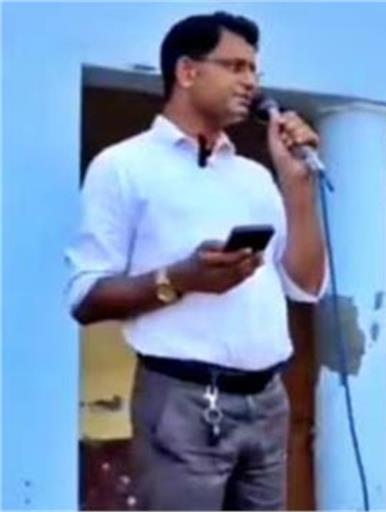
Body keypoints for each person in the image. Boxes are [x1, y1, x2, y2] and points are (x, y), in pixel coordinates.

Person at [65, 11, 327, 510]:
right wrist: (181, 280)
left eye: (254, 70)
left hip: (268, 400)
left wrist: (298, 187)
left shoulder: (254, 176)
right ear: (187, 72)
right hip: (181, 400)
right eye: (235, 66)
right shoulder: (123, 167)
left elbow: (306, 285)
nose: (250, 82)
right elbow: (85, 297)